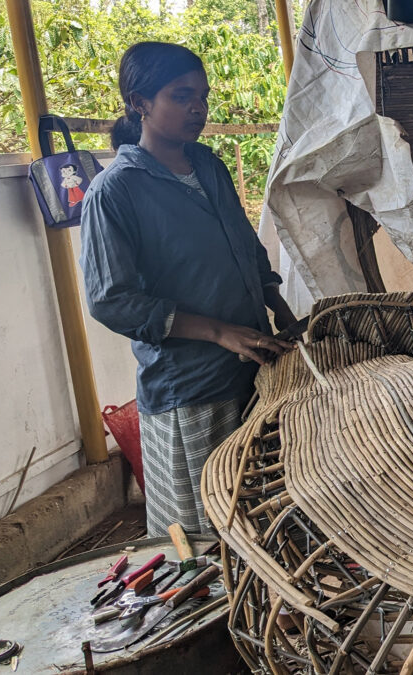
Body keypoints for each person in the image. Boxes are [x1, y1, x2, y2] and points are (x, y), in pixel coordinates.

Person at [80, 42, 295, 537]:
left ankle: (277, 613)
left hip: (253, 368)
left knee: (261, 511)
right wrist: (219, 331)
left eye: (202, 96)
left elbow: (246, 245)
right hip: (192, 387)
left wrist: (279, 309)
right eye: (181, 96)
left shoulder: (208, 166)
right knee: (208, 529)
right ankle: (222, 614)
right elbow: (112, 299)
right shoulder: (116, 190)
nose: (197, 108)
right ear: (139, 103)